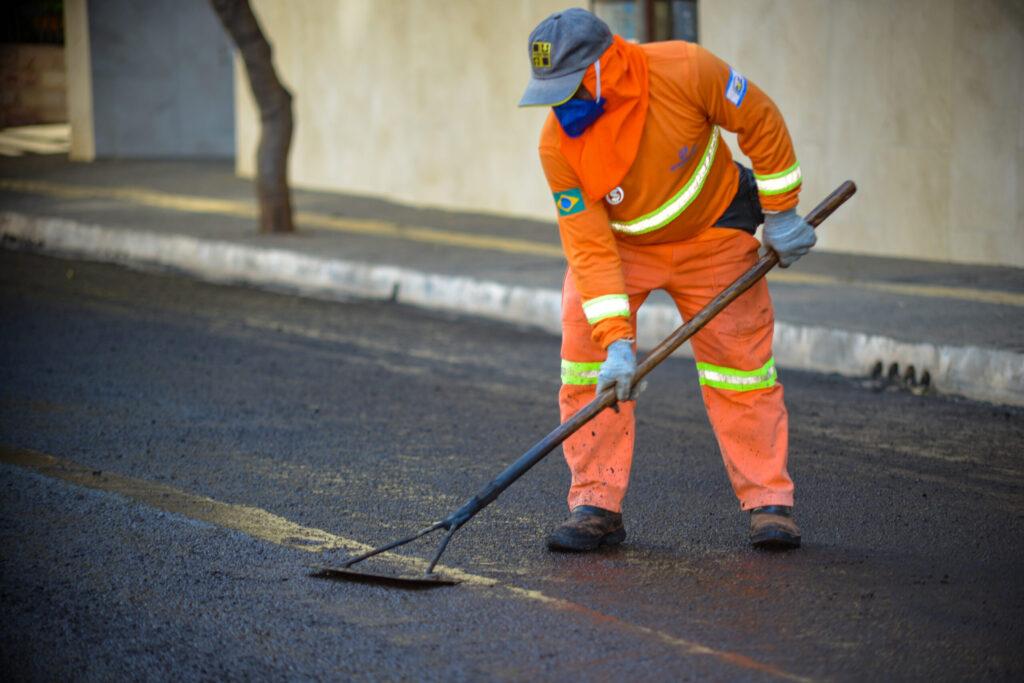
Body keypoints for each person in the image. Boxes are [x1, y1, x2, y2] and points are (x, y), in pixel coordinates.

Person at [519, 8, 813, 551]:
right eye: (550, 92)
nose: (561, 105)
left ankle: (769, 502)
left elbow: (761, 120)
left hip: (714, 233)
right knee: (588, 363)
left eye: (569, 87)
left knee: (741, 369)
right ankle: (595, 503)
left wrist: (782, 212)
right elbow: (588, 246)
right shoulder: (557, 145)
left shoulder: (685, 68)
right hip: (621, 249)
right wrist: (616, 342)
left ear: (605, 66)